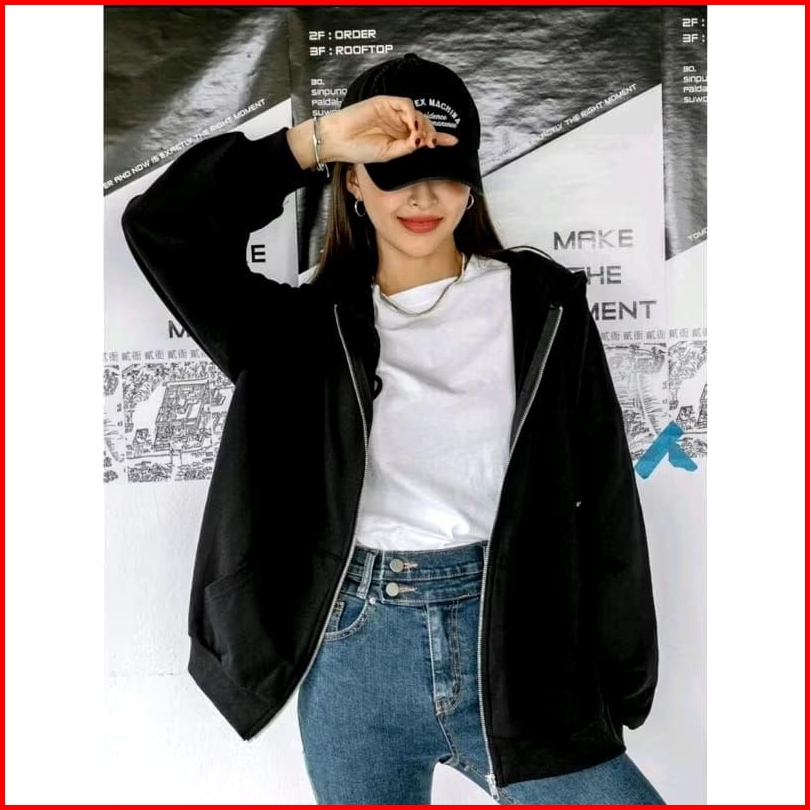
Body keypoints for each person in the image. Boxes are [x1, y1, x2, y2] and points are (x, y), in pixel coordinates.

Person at [121, 53, 664, 805]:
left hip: (517, 643)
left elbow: (604, 497)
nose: (423, 197)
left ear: (471, 181)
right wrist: (316, 141)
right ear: (352, 180)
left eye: (445, 173)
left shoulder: (544, 307)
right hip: (356, 656)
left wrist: (622, 673)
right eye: (395, 173)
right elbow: (163, 228)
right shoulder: (298, 333)